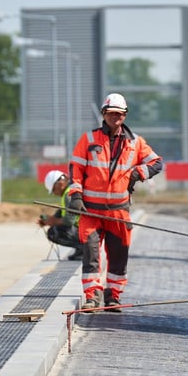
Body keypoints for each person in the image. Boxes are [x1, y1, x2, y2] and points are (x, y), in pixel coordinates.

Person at [68, 93, 163, 312]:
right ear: (104, 114)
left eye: (119, 114)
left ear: (125, 115)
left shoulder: (135, 143)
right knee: (91, 253)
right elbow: (76, 169)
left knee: (119, 255)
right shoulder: (89, 140)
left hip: (119, 211)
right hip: (91, 211)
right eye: (111, 114)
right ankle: (93, 296)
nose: (115, 118)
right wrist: (76, 195)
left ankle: (113, 297)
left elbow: (157, 163)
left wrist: (139, 172)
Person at [38, 170, 84, 261]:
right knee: (56, 228)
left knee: (54, 232)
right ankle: (82, 248)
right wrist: (49, 220)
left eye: (54, 189)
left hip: (83, 230)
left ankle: (83, 248)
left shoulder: (69, 194)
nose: (54, 193)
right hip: (82, 229)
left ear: (60, 183)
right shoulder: (68, 192)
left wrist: (54, 221)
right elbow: (60, 213)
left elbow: (69, 221)